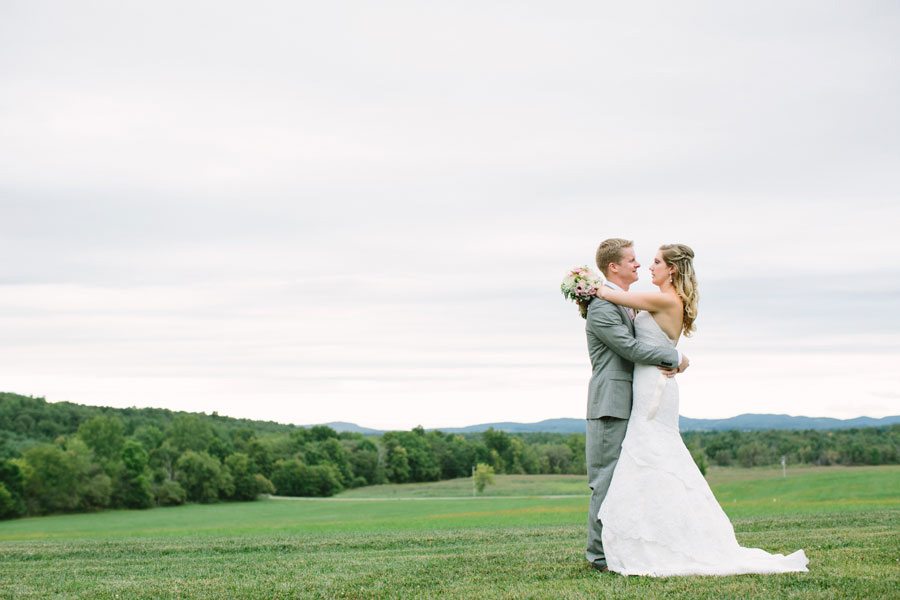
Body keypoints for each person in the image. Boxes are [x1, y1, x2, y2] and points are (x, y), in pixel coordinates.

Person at [594, 243, 808, 576]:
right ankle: (648, 536)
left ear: (672, 270)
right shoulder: (663, 299)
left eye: (654, 262)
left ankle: (662, 540)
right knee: (649, 457)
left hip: (654, 385)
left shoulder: (665, 299)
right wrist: (676, 359)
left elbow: (612, 298)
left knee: (653, 455)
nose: (648, 267)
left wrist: (583, 285)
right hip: (651, 381)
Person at [583, 238, 689, 572]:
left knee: (629, 477)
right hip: (610, 404)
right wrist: (675, 357)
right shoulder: (602, 306)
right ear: (613, 266)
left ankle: (626, 546)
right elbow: (628, 348)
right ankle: (598, 556)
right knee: (606, 479)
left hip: (636, 401)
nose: (639, 265)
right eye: (632, 260)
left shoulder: (627, 302)